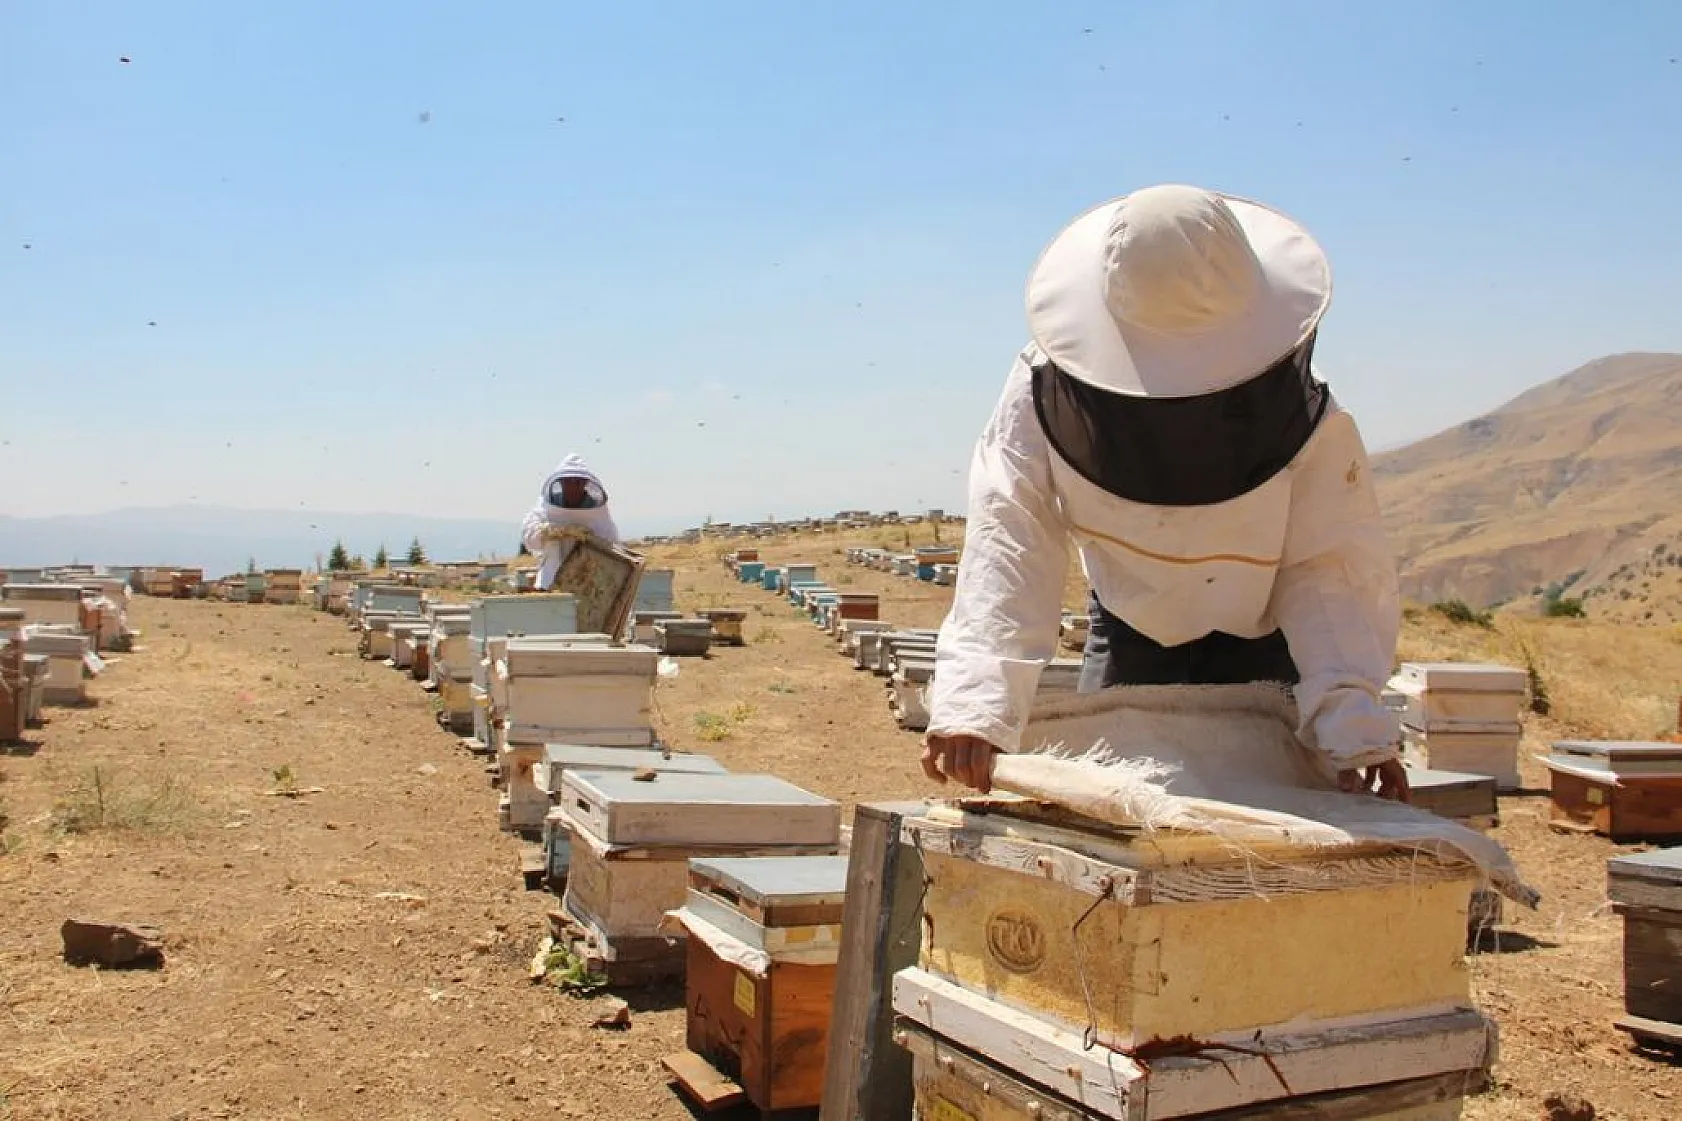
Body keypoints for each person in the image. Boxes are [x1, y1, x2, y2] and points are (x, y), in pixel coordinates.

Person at [922, 184, 1408, 802]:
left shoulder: (1305, 417)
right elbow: (1010, 534)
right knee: (1119, 824)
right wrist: (976, 699)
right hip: (1129, 630)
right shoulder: (1042, 390)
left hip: (1268, 648)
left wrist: (1353, 726)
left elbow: (1325, 568)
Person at [519, 454, 621, 590]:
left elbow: (611, 545)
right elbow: (529, 536)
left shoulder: (596, 513)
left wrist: (592, 539)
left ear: (585, 484)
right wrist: (546, 532)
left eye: (577, 482)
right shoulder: (547, 509)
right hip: (549, 582)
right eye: (568, 482)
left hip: (587, 586)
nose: (573, 487)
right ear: (560, 483)